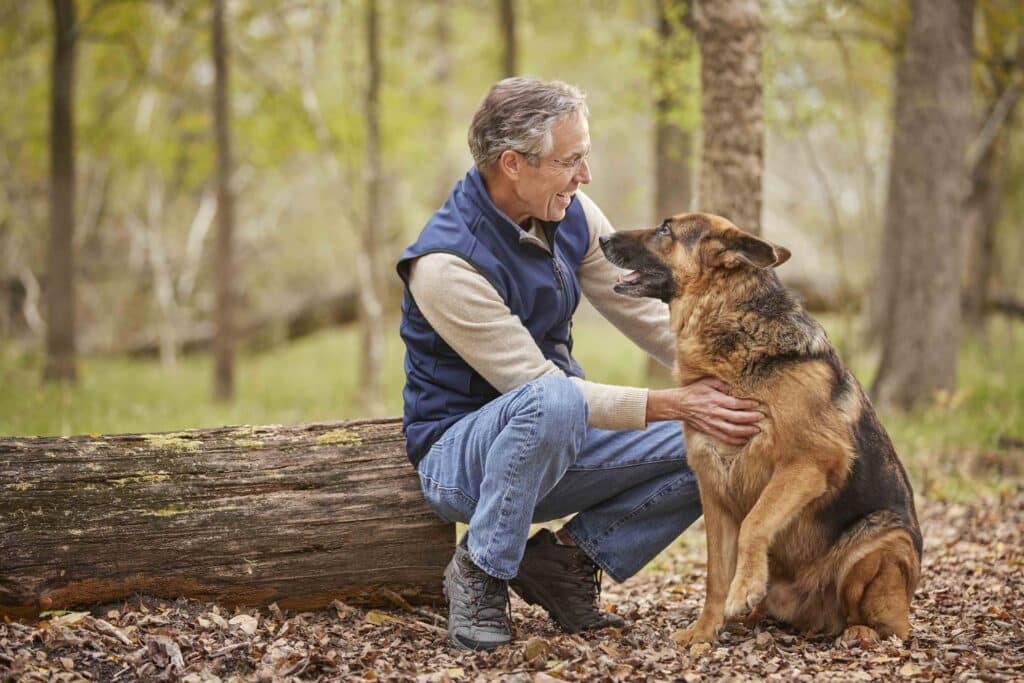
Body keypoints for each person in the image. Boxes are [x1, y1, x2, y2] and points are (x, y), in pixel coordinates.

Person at [396, 77, 761, 651]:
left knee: (726, 441)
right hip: (460, 460)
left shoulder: (571, 213)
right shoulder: (444, 265)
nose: (584, 176)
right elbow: (537, 387)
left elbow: (644, 314)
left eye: (584, 157)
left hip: (561, 437)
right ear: (513, 163)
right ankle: (482, 572)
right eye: (570, 161)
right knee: (557, 398)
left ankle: (565, 563)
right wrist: (671, 402)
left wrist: (748, 375)